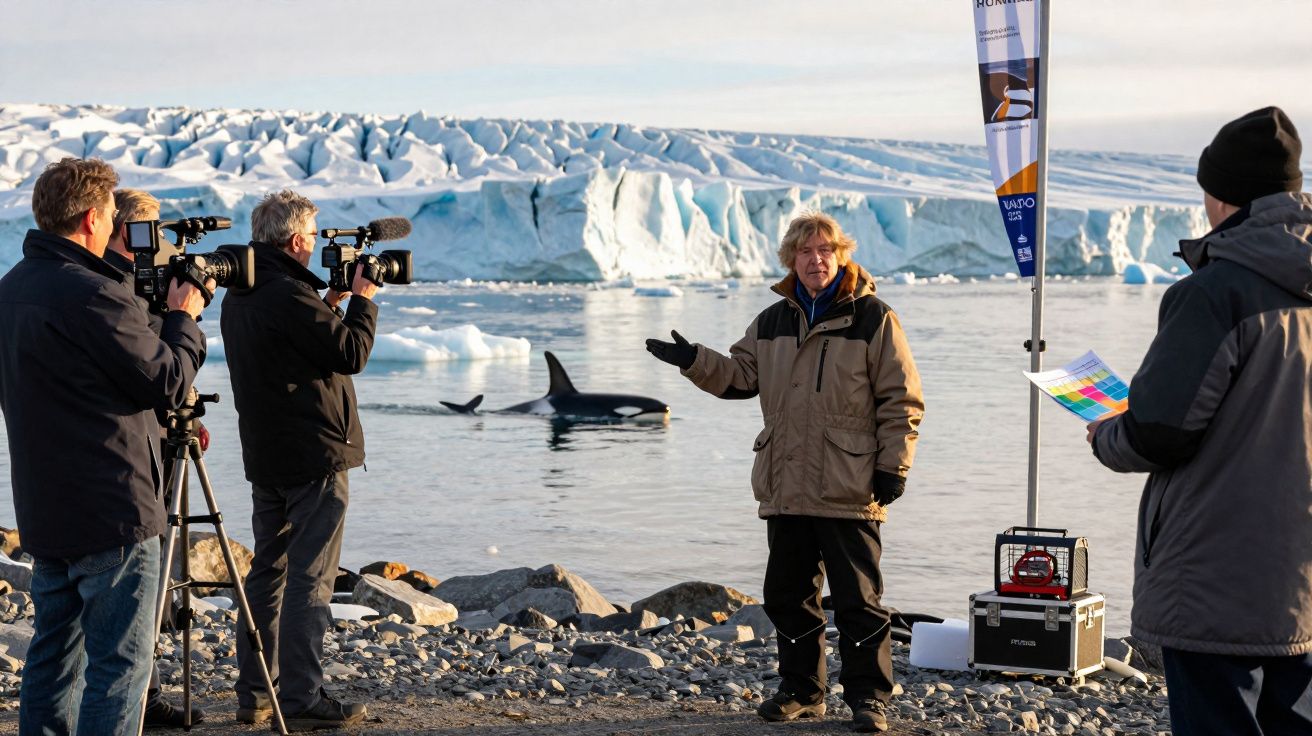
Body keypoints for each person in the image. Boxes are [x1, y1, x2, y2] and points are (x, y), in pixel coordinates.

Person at [646, 211, 924, 733]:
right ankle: (802, 692)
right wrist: (692, 359)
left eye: (824, 251)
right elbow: (738, 377)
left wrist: (894, 467)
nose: (815, 260)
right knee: (786, 596)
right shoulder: (772, 321)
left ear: (841, 256)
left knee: (858, 601)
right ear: (790, 260)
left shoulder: (873, 318)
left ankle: (869, 700)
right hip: (787, 483)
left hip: (849, 482)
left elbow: (901, 399)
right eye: (804, 252)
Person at [1088, 106, 1312, 735]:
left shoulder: (1215, 293)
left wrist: (1107, 430)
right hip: (1302, 580)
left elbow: (1159, 430)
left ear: (1222, 195)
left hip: (1217, 576)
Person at [0, 158, 208, 735]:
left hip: (45, 506)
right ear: (92, 217)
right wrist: (182, 317)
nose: (119, 228)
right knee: (119, 666)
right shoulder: (94, 295)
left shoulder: (10, 290)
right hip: (113, 506)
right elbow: (166, 378)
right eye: (115, 216)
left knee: (53, 660)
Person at [223, 190, 379, 730]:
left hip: (267, 456)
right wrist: (362, 298)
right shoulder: (288, 294)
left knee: (269, 572)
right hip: (314, 456)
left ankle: (255, 691)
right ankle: (301, 698)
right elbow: (349, 353)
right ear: (295, 241)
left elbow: (292, 346)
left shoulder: (243, 291)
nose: (316, 247)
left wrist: (329, 302)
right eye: (312, 239)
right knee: (310, 577)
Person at [105, 188, 207, 728]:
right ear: (128, 231)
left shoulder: (118, 288)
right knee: (143, 575)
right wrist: (180, 317)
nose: (159, 244)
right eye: (153, 232)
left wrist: (185, 413)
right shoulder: (115, 293)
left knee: (148, 577)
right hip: (131, 462)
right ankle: (135, 700)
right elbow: (157, 372)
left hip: (153, 438)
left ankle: (144, 692)